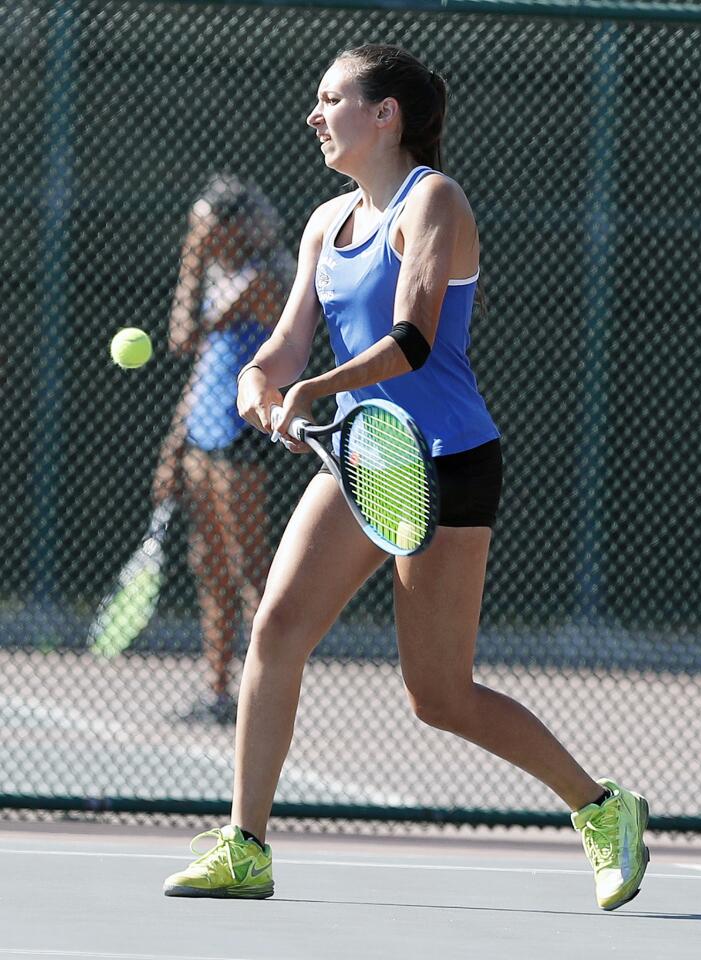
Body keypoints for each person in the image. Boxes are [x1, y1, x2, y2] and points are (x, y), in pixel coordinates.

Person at [163, 45, 649, 908]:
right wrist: (256, 380)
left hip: (448, 458)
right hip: (364, 456)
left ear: (384, 114)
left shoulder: (435, 201)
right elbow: (286, 341)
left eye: (330, 99)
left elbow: (413, 337)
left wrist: (309, 390)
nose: (314, 116)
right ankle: (246, 846)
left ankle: (602, 808)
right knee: (275, 627)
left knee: (439, 694)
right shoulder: (322, 223)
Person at [152, 174, 293, 724]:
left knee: (248, 570)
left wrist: (190, 260)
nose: (198, 236)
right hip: (201, 435)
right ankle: (218, 692)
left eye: (204, 227)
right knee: (207, 563)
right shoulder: (222, 273)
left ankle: (264, 694)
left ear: (231, 228)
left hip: (241, 438)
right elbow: (201, 368)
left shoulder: (259, 277)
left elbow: (183, 336)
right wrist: (174, 445)